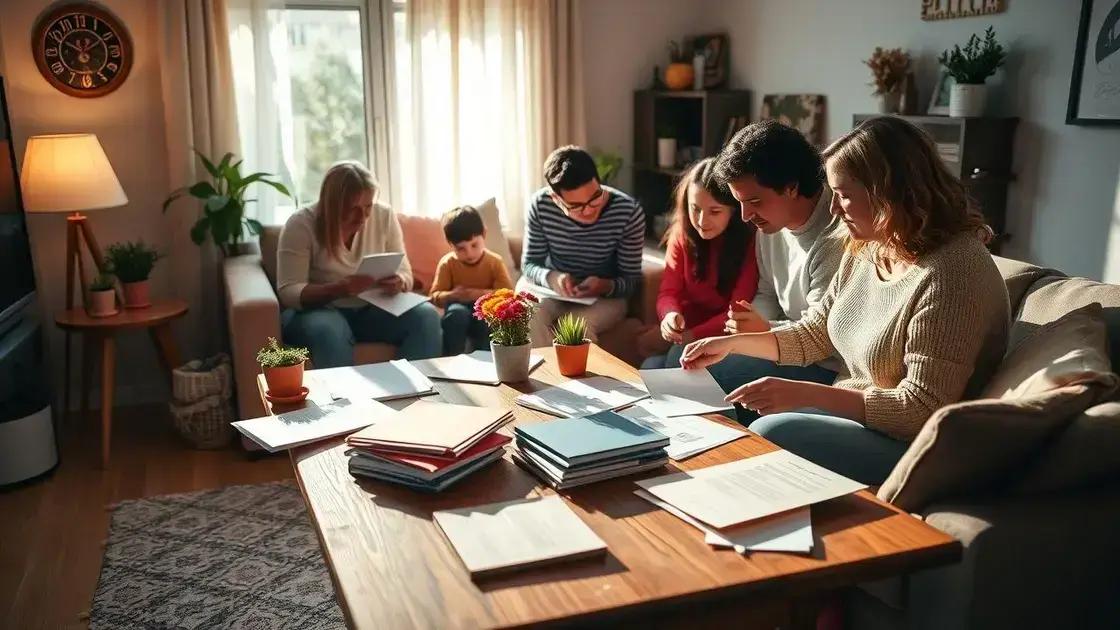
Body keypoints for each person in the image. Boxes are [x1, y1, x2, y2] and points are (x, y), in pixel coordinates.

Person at [680, 116, 1011, 484]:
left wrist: (806, 393)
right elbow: (814, 332)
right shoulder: (870, 246)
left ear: (888, 191)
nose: (834, 210)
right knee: (718, 394)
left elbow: (920, 410)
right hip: (857, 414)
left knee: (772, 430)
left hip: (916, 443)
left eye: (844, 195)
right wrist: (732, 343)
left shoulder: (952, 273)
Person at [703, 120, 848, 422]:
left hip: (823, 365)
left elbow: (822, 339)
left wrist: (764, 330)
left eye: (754, 201)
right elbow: (768, 291)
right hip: (780, 343)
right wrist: (748, 323)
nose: (745, 216)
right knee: (685, 368)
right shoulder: (769, 226)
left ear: (792, 187)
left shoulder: (837, 236)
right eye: (740, 202)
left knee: (707, 382)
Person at [276, 161, 442, 367]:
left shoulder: (384, 215)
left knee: (426, 317)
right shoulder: (301, 224)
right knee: (329, 331)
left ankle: (419, 394)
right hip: (320, 309)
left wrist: (399, 281)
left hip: (373, 308)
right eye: (353, 209)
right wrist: (339, 289)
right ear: (332, 205)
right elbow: (288, 291)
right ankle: (345, 400)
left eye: (368, 207)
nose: (363, 217)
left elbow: (405, 271)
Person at [518, 145, 645, 347]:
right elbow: (530, 265)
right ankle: (541, 378)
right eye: (576, 206)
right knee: (525, 313)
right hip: (551, 290)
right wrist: (552, 277)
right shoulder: (540, 205)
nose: (588, 211)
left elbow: (630, 281)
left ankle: (582, 378)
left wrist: (604, 285)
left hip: (604, 297)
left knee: (576, 327)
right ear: (556, 199)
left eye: (595, 198)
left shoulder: (628, 212)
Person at [642, 157, 759, 369]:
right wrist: (669, 315)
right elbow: (669, 291)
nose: (702, 221)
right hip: (685, 332)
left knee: (674, 358)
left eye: (715, 211)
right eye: (695, 208)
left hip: (723, 337)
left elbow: (737, 312)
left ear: (733, 211)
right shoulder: (682, 234)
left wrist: (691, 335)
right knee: (649, 366)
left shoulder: (750, 243)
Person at [429, 205, 514, 355]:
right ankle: (452, 359)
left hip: (485, 310)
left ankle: (486, 361)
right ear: (451, 245)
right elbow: (434, 296)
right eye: (461, 249)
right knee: (456, 315)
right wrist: (452, 295)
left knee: (485, 319)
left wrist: (478, 294)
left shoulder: (494, 261)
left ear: (484, 234)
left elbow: (507, 294)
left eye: (474, 245)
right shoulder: (447, 263)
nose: (469, 253)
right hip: (458, 308)